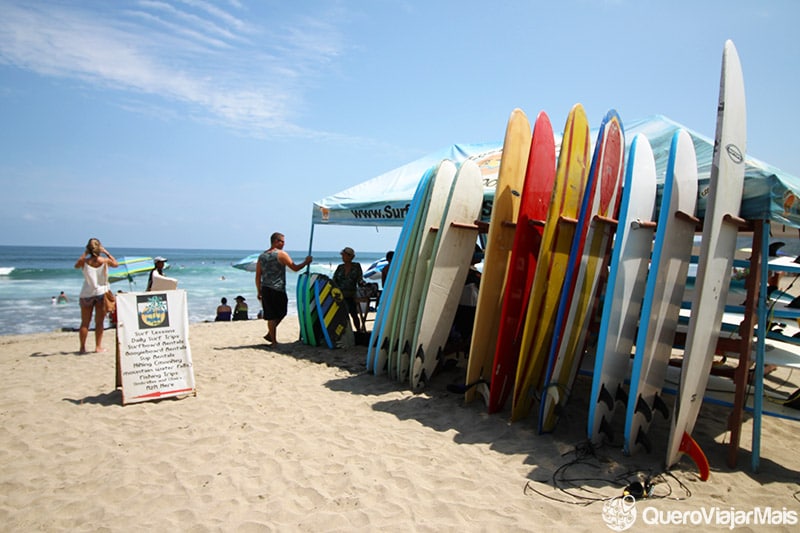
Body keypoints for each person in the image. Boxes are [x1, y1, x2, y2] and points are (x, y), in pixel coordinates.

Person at [255, 232, 312, 344]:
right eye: (282, 241)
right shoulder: (281, 254)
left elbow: (258, 275)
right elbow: (295, 268)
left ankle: (272, 339)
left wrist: (259, 290)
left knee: (270, 315)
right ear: (276, 241)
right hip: (278, 288)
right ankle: (272, 337)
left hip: (265, 288)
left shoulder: (262, 256)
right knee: (282, 312)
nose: (284, 244)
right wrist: (306, 262)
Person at [74, 238, 118, 354]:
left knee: (85, 322)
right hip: (101, 293)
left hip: (86, 293)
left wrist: (85, 253)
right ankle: (98, 347)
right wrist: (106, 252)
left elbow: (76, 265)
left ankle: (82, 348)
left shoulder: (84, 262)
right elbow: (115, 264)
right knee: (99, 322)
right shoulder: (104, 261)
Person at [333, 246, 364, 332]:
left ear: (351, 256)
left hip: (351, 295)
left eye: (344, 255)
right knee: (342, 316)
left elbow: (359, 279)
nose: (343, 257)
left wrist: (363, 285)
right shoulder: (340, 267)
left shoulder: (356, 266)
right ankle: (344, 332)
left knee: (354, 314)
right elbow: (334, 280)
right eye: (342, 255)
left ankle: (358, 330)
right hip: (340, 295)